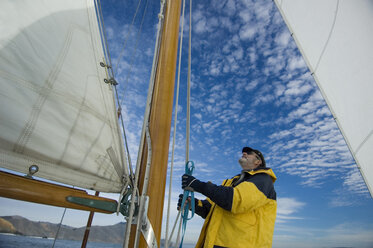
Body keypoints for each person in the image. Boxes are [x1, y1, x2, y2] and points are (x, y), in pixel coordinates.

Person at [179, 146, 277, 248]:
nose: (244, 153)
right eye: (244, 152)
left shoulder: (263, 179)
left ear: (258, 161)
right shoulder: (231, 183)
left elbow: (236, 200)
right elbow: (211, 210)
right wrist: (193, 204)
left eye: (249, 153)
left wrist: (199, 185)